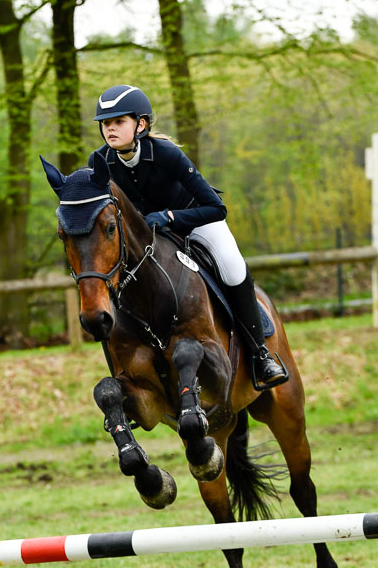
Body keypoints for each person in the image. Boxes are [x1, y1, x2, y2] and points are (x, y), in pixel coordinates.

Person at [87, 84, 288, 391]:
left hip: (195, 221)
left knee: (233, 267)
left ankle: (261, 354)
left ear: (140, 124)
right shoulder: (100, 162)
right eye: (105, 123)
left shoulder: (168, 155)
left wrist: (170, 217)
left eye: (118, 122)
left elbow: (216, 208)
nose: (110, 129)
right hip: (145, 238)